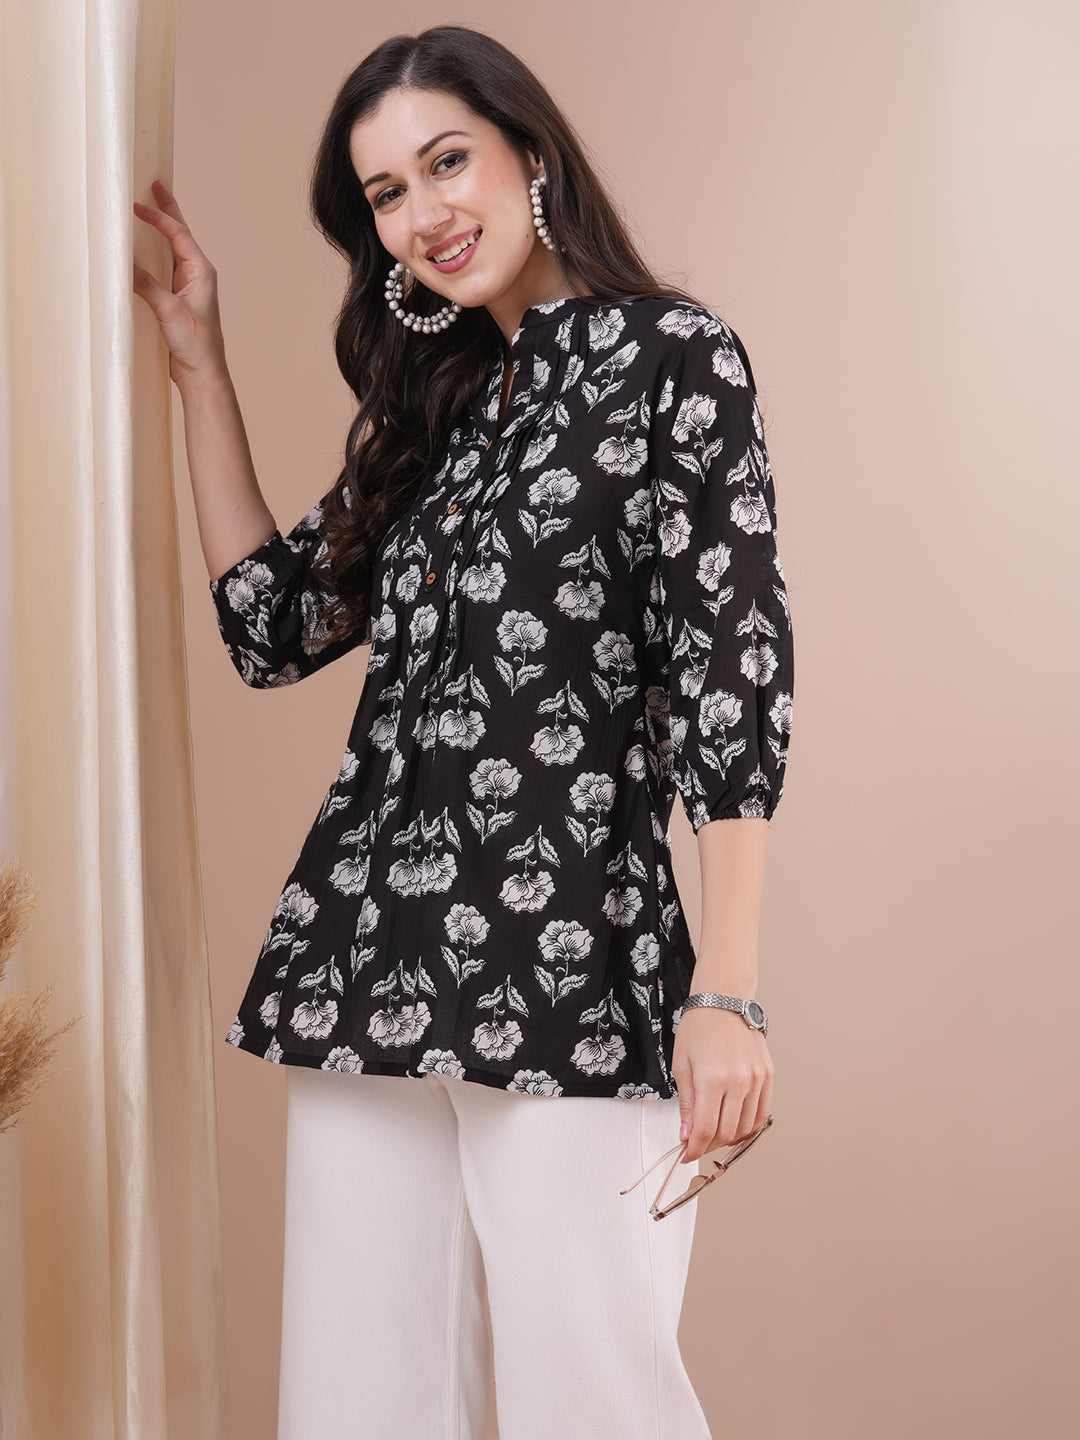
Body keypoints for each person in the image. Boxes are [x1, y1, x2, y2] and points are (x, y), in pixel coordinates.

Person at [132, 23, 795, 1440]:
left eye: (447, 162)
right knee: (355, 1404)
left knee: (590, 1397)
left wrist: (728, 994)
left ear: (529, 154)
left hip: (572, 963)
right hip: (369, 959)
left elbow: (732, 677)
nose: (423, 213)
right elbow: (271, 626)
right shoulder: (439, 413)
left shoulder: (672, 359)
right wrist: (199, 366)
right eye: (386, 193)